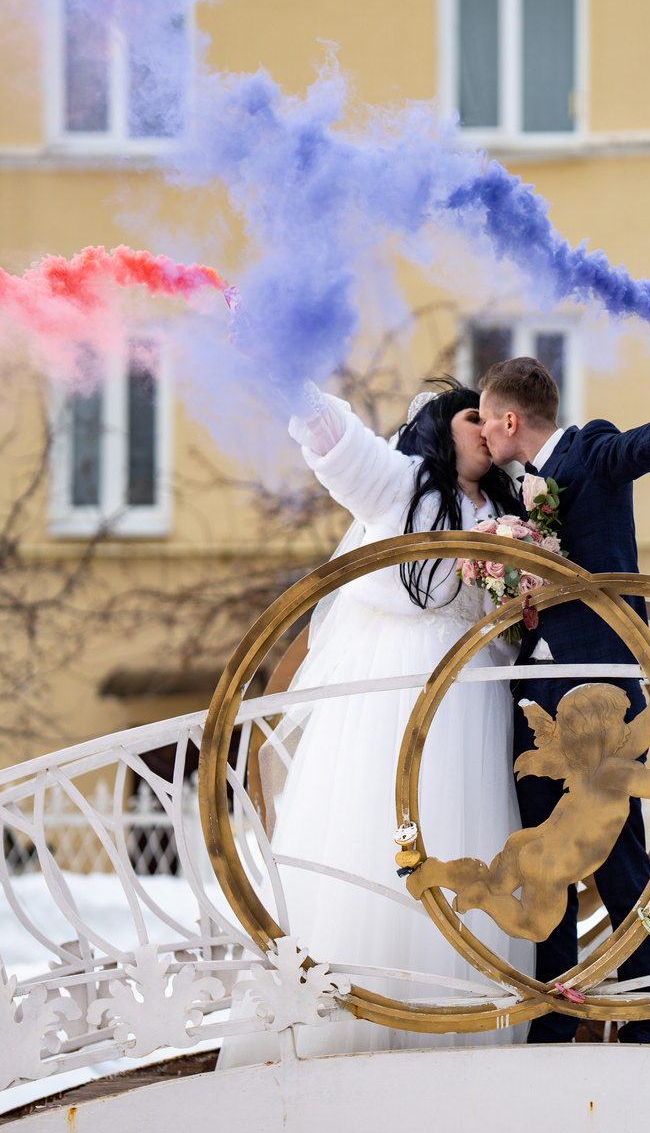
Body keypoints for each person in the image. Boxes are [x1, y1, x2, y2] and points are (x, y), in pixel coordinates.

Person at [222, 380, 533, 1062]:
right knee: (379, 835)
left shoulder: (508, 506)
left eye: (494, 417)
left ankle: (459, 1027)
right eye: (472, 416)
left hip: (477, 699)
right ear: (438, 428)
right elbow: (341, 448)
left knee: (470, 833)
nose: (487, 428)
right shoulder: (401, 486)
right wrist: (297, 386)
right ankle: (353, 1030)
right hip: (397, 692)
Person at [476, 355, 650, 1044]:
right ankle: (553, 1016)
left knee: (621, 856)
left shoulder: (590, 452)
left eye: (484, 420)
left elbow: (643, 445)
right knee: (543, 854)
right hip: (534, 690)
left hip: (599, 689)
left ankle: (647, 1013)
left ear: (510, 420)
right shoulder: (513, 492)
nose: (482, 433)